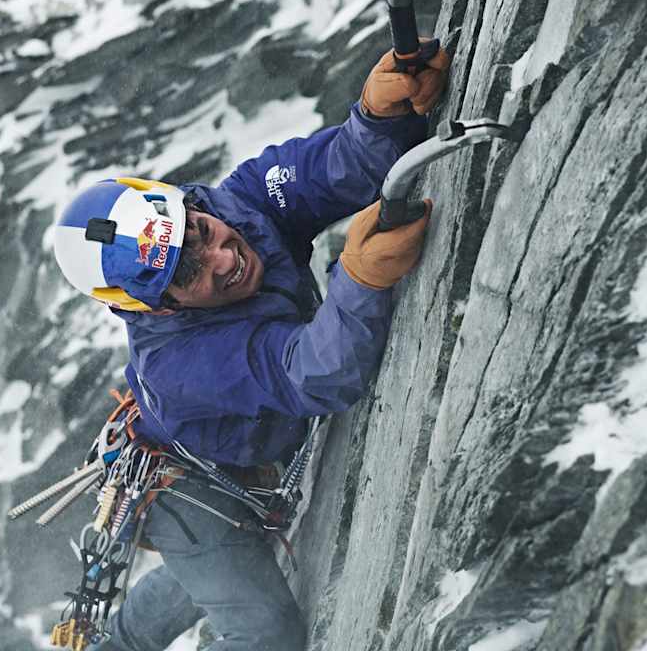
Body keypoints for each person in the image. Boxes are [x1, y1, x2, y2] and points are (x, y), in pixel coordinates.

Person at [52, 45, 452, 651]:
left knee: (226, 559)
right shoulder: (178, 363)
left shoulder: (234, 203)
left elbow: (332, 168)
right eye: (186, 273)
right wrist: (361, 280)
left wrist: (378, 115)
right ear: (159, 308)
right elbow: (316, 374)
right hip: (187, 488)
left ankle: (118, 642)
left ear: (189, 205)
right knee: (267, 631)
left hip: (223, 467)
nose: (224, 257)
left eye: (200, 231)